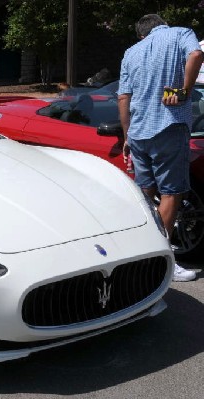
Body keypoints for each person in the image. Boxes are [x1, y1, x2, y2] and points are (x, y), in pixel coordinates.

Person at [118, 14, 204, 282]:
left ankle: (137, 253)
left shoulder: (131, 51)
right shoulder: (180, 33)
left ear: (142, 34)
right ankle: (161, 262)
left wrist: (127, 136)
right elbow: (196, 55)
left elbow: (123, 97)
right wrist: (185, 90)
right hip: (169, 126)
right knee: (171, 193)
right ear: (161, 24)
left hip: (139, 131)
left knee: (145, 194)